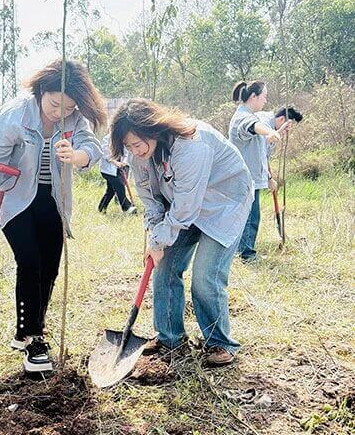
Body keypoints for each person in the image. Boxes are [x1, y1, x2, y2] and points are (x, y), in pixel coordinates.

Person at [0, 60, 106, 373]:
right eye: (54, 104)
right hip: (15, 197)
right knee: (30, 261)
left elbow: (91, 147)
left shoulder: (75, 118)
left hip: (53, 200)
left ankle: (31, 328)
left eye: (69, 107)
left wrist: (77, 156)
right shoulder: (16, 113)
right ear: (41, 91)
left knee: (49, 268)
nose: (60, 112)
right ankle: (33, 338)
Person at [110, 98, 253, 367]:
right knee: (163, 267)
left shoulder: (191, 145)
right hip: (181, 206)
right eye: (128, 146)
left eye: (137, 143)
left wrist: (160, 239)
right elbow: (150, 199)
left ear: (153, 129)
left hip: (223, 204)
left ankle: (219, 342)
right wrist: (155, 236)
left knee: (205, 276)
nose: (134, 151)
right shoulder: (137, 155)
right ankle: (170, 338)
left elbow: (186, 207)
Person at [228, 81, 284, 263]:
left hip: (251, 178)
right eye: (264, 96)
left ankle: (244, 251)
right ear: (253, 96)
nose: (266, 101)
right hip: (244, 179)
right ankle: (246, 254)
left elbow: (256, 146)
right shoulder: (242, 117)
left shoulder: (249, 115)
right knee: (249, 218)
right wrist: (269, 131)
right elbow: (252, 126)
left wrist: (271, 135)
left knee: (251, 216)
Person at [98, 133, 137, 214]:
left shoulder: (122, 139)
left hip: (118, 170)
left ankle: (101, 208)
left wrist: (124, 162)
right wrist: (115, 162)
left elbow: (126, 152)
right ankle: (127, 207)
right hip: (108, 171)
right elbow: (105, 152)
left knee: (110, 191)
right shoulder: (107, 139)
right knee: (120, 186)